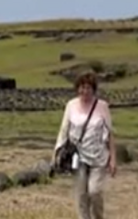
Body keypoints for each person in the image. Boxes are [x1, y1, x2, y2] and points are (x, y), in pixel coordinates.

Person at [53, 72, 116, 219]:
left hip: (98, 156)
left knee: (95, 192)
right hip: (78, 156)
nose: (85, 91)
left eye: (88, 88)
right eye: (82, 87)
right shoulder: (71, 105)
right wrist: (56, 153)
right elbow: (64, 130)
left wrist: (113, 159)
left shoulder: (102, 106)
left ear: (93, 89)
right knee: (81, 195)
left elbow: (110, 134)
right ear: (77, 89)